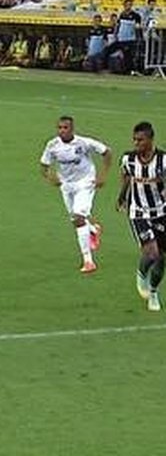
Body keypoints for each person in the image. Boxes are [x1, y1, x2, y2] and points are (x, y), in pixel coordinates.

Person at [39, 116, 112, 274]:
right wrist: (50, 177)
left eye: (65, 128)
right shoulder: (52, 145)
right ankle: (93, 229)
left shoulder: (83, 143)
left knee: (78, 218)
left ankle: (88, 261)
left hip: (85, 182)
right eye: (59, 128)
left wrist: (102, 175)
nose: (62, 131)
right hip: (67, 185)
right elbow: (44, 165)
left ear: (72, 129)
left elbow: (107, 152)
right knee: (75, 218)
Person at [117, 121, 166, 311]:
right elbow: (126, 177)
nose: (136, 143)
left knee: (161, 258)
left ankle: (153, 292)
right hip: (138, 212)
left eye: (141, 140)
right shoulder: (128, 159)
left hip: (161, 212)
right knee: (151, 253)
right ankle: (141, 275)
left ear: (151, 140)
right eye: (135, 140)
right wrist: (122, 197)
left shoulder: (163, 160)